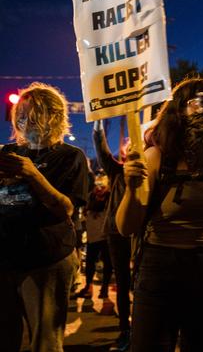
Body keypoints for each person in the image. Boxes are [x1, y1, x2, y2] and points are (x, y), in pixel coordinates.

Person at [116, 78, 203, 352]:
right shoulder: (157, 156)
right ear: (180, 110)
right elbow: (125, 227)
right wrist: (132, 191)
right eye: (202, 103)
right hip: (161, 267)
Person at [0, 82, 89, 352]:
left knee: (45, 342)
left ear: (53, 115)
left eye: (31, 114)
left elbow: (66, 209)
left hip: (45, 261)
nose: (24, 121)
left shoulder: (70, 157)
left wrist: (33, 175)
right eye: (20, 115)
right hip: (5, 259)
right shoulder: (9, 154)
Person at [92, 120, 132, 351]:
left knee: (142, 281)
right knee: (123, 280)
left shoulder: (153, 171)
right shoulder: (117, 170)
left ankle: (146, 325)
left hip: (141, 233)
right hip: (117, 233)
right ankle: (125, 329)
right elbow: (102, 150)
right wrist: (99, 123)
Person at [75, 170, 113, 301]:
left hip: (105, 234)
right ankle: (90, 287)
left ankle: (104, 288)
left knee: (106, 263)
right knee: (92, 262)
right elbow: (85, 214)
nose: (99, 188)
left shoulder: (109, 196)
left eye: (102, 185)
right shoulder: (90, 196)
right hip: (94, 235)